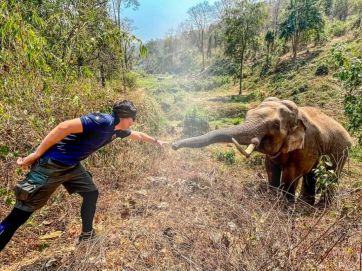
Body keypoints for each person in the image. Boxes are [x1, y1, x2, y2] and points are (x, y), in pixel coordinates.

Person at [0, 100, 167, 251]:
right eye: (132, 118)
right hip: (51, 166)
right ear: (125, 116)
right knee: (20, 215)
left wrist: (156, 141)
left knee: (91, 193)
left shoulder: (117, 130)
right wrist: (35, 154)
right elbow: (63, 127)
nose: (133, 122)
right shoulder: (102, 121)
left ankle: (87, 234)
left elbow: (137, 135)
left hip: (72, 166)